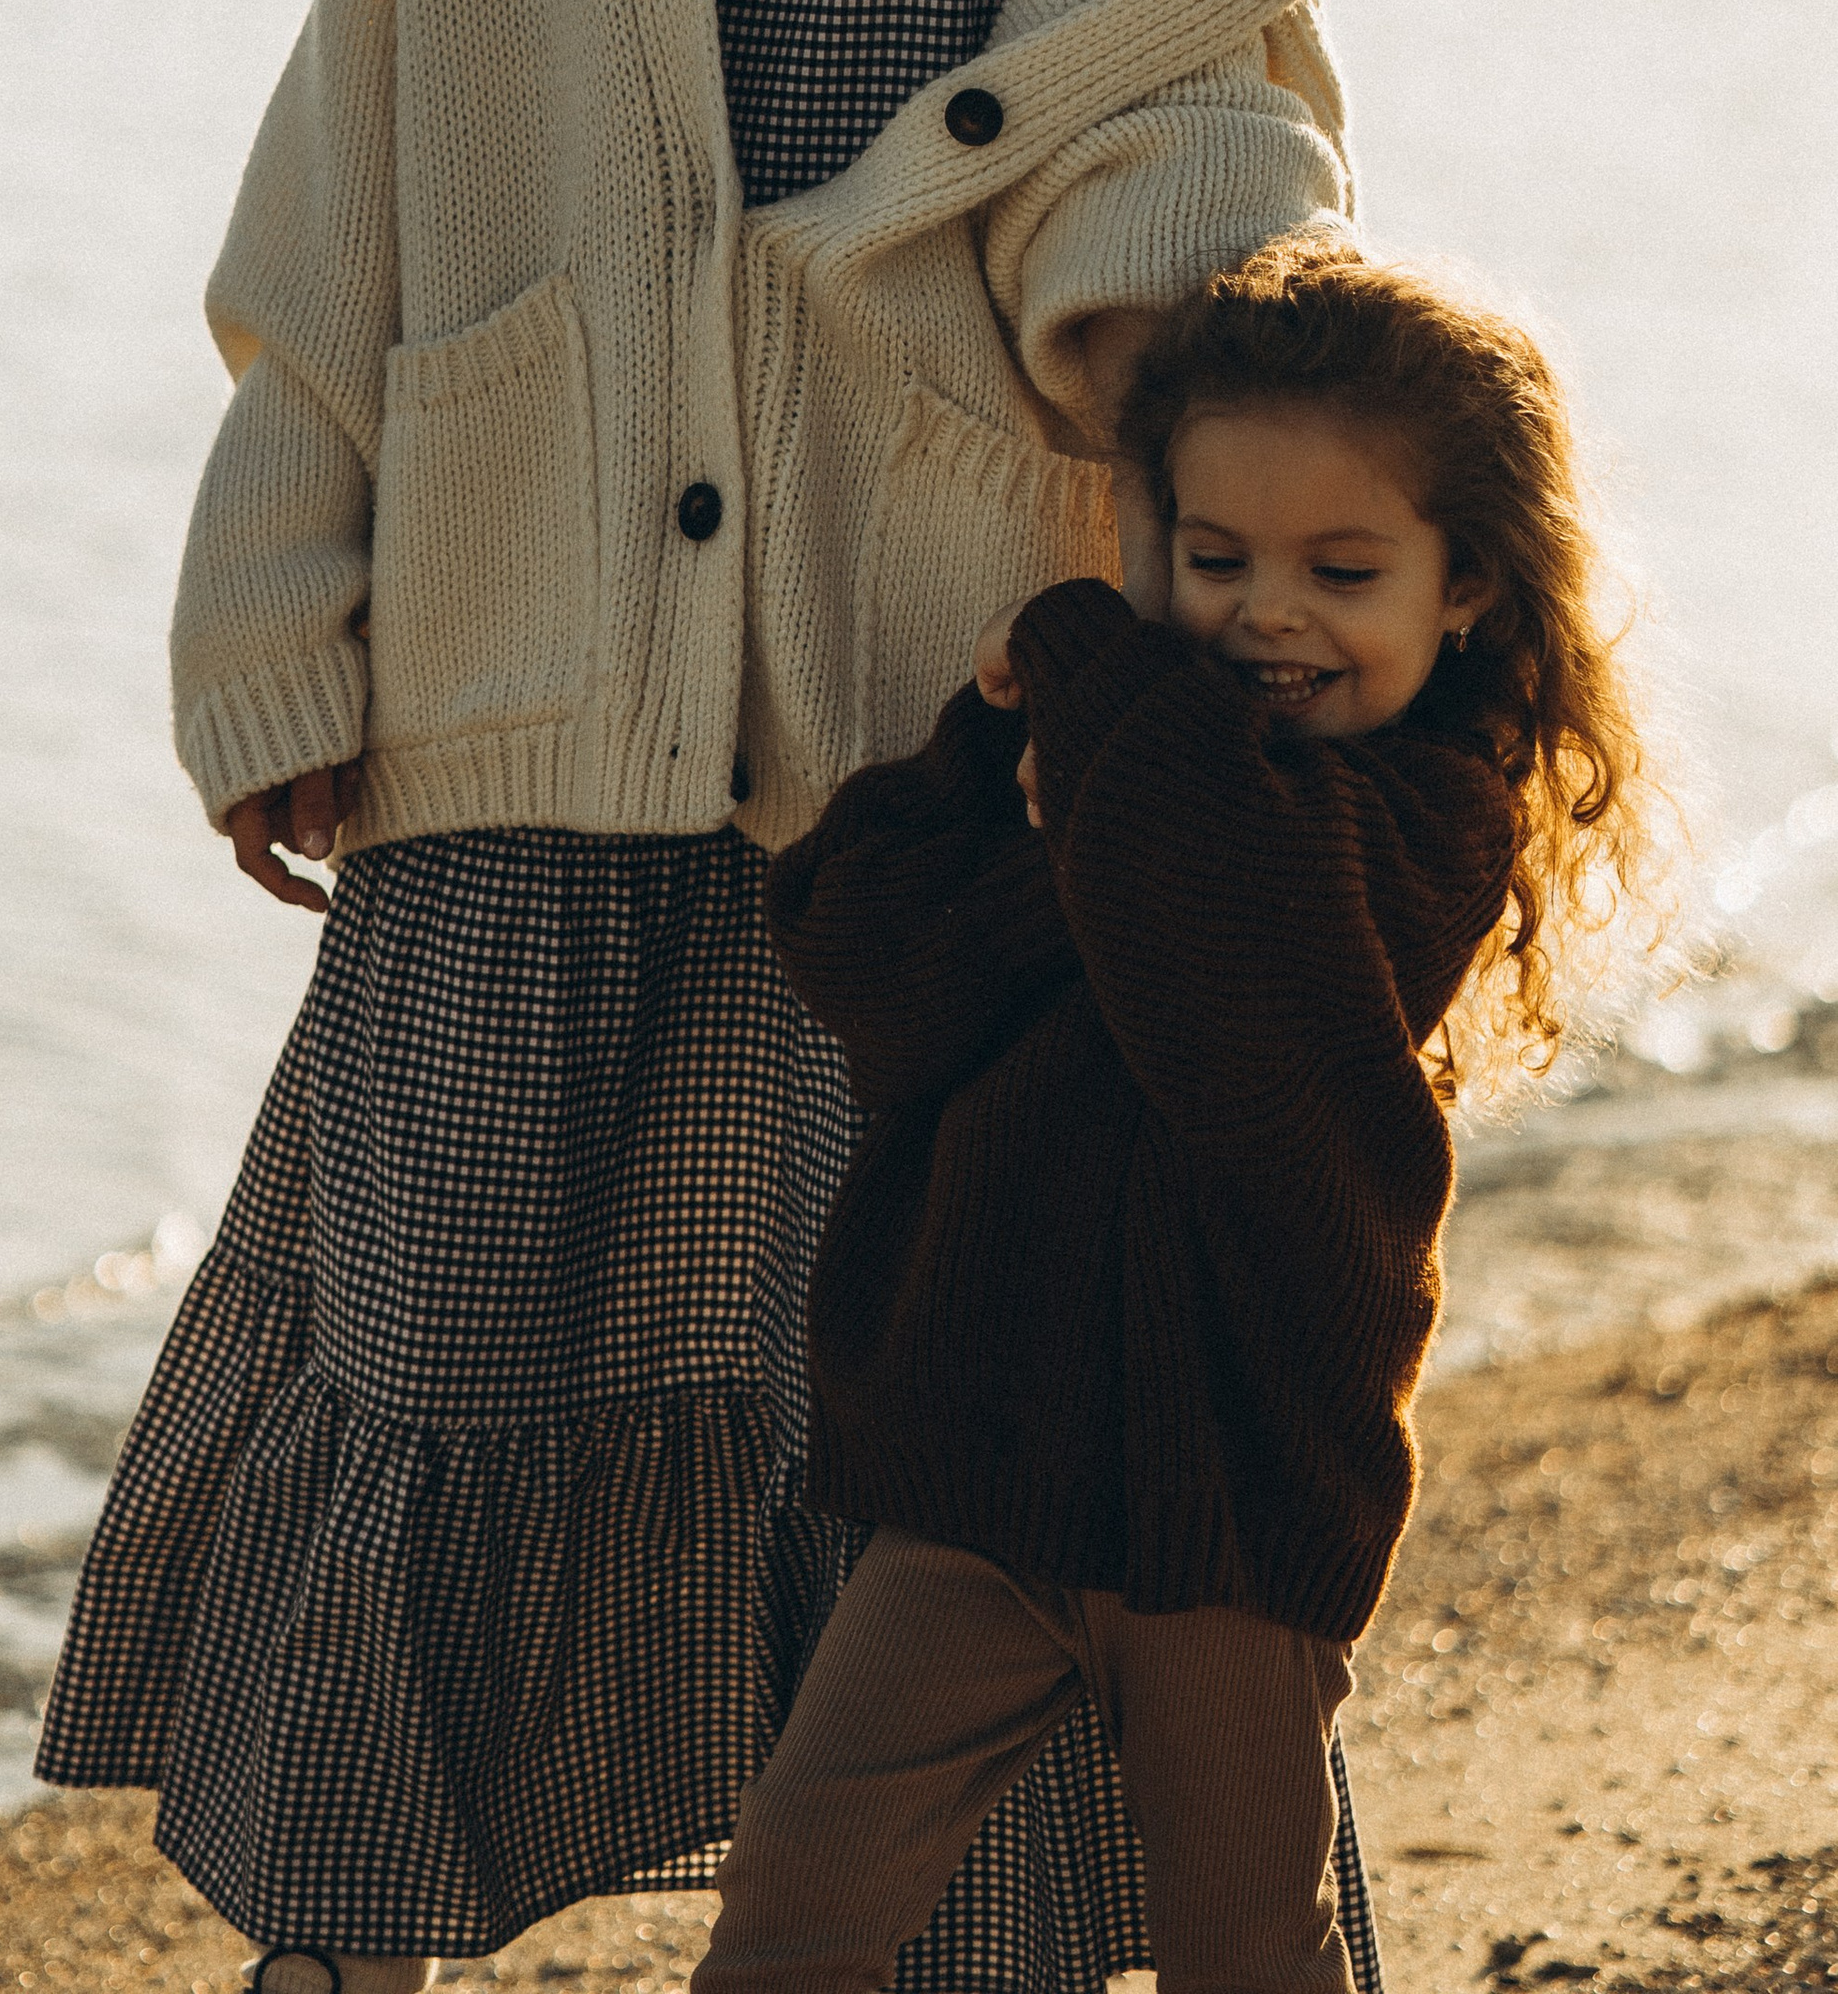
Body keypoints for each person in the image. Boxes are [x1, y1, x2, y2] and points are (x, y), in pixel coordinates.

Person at [37, 0, 1371, 1994]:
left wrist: (1213, 392)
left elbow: (1187, 69)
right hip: (532, 615)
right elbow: (381, 70)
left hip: (955, 650)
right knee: (443, 1315)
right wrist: (284, 592)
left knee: (940, 1394)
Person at [700, 239, 1661, 1994]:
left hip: (1236, 1504)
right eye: (1213, 562)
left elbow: (1229, 935)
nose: (1269, 613)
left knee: (1244, 1955)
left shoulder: (1422, 819)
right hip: (977, 1473)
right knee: (796, 1906)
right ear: (1152, 545)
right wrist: (990, 760)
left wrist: (1081, 655)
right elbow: (859, 942)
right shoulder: (1099, 761)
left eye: (1342, 569)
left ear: (1464, 592)